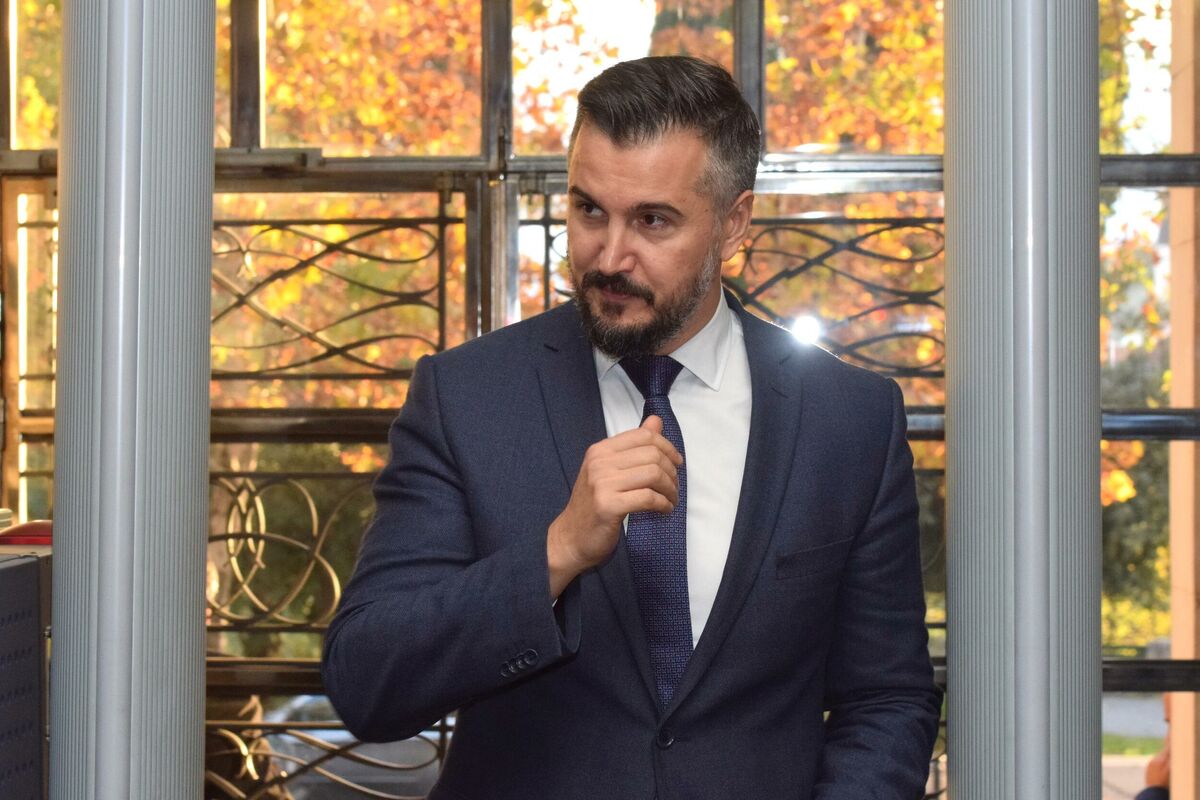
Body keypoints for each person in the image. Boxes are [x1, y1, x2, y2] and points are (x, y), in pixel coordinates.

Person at [322, 55, 941, 799]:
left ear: (734, 223)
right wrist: (557, 552)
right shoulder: (465, 397)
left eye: (652, 221)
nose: (609, 257)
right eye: (589, 211)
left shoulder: (851, 420)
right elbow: (368, 684)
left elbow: (886, 699)